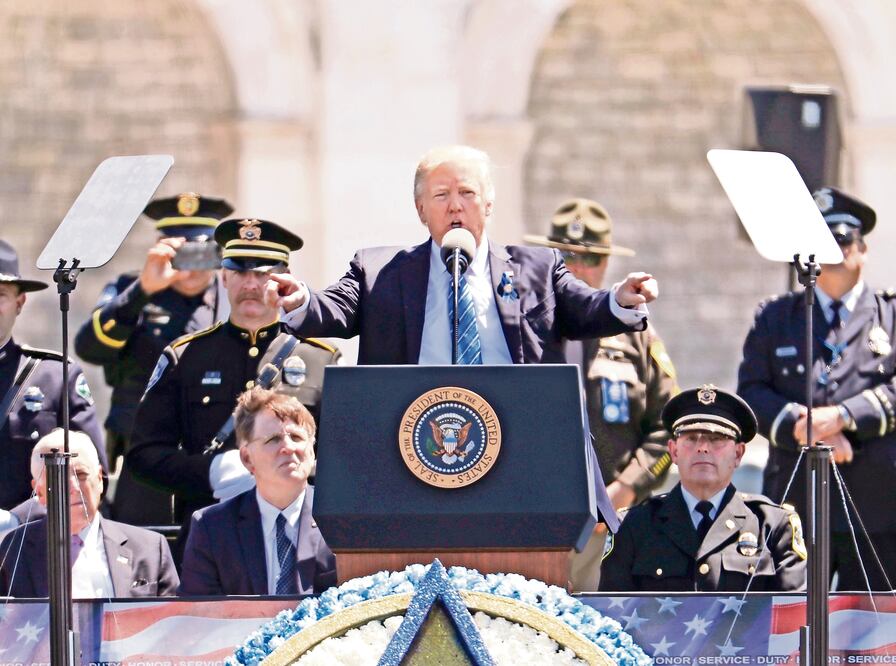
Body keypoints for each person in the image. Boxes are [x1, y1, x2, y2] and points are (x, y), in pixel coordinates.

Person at [272, 145, 659, 365]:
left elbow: (584, 307)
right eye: (441, 195)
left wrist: (621, 299)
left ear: (489, 204)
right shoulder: (378, 271)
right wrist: (299, 298)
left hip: (515, 434)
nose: (455, 206)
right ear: (421, 210)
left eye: (468, 193)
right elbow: (333, 307)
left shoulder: (538, 268)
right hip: (414, 439)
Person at [127, 218, 341, 563]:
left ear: (285, 278)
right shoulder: (185, 356)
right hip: (211, 537)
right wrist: (209, 472)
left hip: (297, 536)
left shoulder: (319, 358)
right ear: (224, 277)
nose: (251, 284)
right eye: (239, 271)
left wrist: (283, 473)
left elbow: (343, 457)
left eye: (263, 272)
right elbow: (143, 454)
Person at [738, 187, 896, 591]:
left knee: (875, 625)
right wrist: (803, 426)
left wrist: (844, 417)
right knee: (789, 620)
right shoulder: (776, 317)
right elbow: (752, 392)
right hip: (796, 503)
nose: (834, 251)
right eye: (823, 242)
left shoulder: (891, 315)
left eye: (843, 239)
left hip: (877, 508)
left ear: (863, 249)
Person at [525, 198, 678, 591]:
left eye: (590, 258)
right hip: (535, 518)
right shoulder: (524, 330)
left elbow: (668, 426)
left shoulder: (636, 335)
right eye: (567, 256)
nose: (578, 268)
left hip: (615, 525)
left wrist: (624, 490)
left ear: (606, 263)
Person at [74, 193, 233, 526]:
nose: (192, 263)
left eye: (201, 251)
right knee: (139, 541)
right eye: (181, 252)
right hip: (142, 450)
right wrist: (142, 291)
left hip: (212, 452)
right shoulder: (131, 289)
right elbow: (88, 348)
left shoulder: (232, 295)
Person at [599, 385, 807, 592]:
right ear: (673, 451)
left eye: (717, 439)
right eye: (691, 438)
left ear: (738, 454)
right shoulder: (632, 526)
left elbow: (793, 607)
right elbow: (612, 608)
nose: (703, 447)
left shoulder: (772, 526)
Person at [178, 387, 335, 595]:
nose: (288, 447)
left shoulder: (340, 520)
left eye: (297, 437)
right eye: (273, 439)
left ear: (312, 451)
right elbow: (198, 610)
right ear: (247, 458)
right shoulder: (212, 527)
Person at [0, 240, 105, 527]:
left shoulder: (54, 377)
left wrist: (18, 518)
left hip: (30, 541)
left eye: (0, 295)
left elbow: (92, 474)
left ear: (19, 303)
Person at [0, 429, 179, 597]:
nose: (74, 487)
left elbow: (173, 618)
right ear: (39, 491)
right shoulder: (14, 549)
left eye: (81, 474)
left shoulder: (150, 548)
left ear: (100, 478)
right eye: (59, 476)